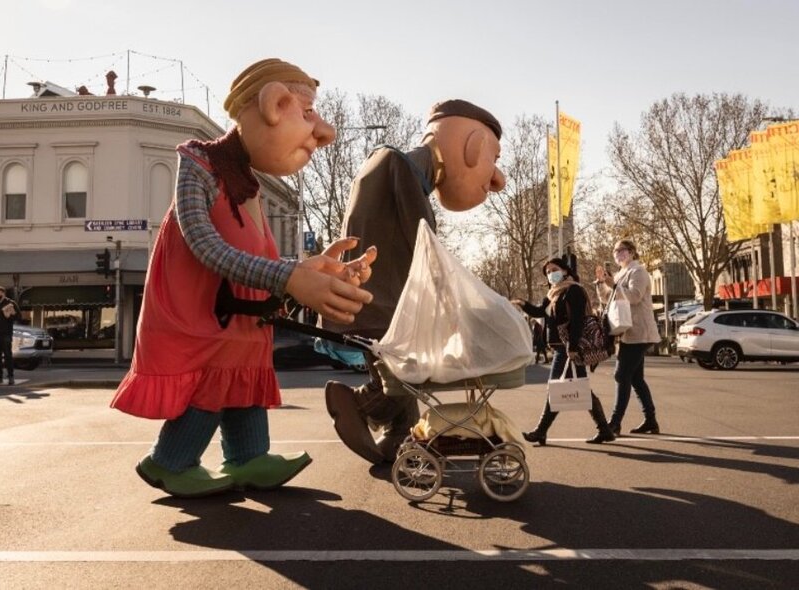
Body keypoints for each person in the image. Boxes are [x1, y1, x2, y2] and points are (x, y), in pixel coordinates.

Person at [110, 58, 377, 499]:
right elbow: (205, 245)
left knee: (243, 375)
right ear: (274, 103)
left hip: (244, 319)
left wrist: (317, 268)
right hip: (208, 315)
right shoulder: (198, 164)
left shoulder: (249, 184)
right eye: (308, 114)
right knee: (216, 379)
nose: (323, 131)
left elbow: (261, 255)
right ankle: (171, 461)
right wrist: (290, 276)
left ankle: (249, 456)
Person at [324, 99, 507, 464]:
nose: (497, 179)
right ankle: (358, 403)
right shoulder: (400, 167)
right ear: (472, 146)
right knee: (400, 381)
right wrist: (454, 303)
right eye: (495, 159)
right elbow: (427, 248)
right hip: (383, 305)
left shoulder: (390, 165)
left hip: (373, 299)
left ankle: (400, 441)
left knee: (407, 380)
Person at [511, 258, 615, 445]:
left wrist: (573, 346)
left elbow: (577, 320)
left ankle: (541, 431)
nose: (551, 274)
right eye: (548, 272)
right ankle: (604, 429)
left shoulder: (573, 290)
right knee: (578, 389)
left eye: (554, 269)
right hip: (560, 348)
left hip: (568, 349)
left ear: (565, 271)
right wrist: (521, 303)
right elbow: (538, 312)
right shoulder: (552, 293)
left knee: (557, 388)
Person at [595, 239, 661, 435]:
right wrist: (601, 285)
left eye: (621, 250)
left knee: (621, 375)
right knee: (636, 379)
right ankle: (650, 420)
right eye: (615, 251)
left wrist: (613, 284)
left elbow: (634, 297)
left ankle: (615, 422)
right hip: (627, 332)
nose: (618, 254)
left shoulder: (638, 271)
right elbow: (608, 299)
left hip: (640, 332)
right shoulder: (620, 273)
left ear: (632, 252)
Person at [0, 286, 19, 385]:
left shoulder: (10, 303)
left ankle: (11, 377)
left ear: (2, 293)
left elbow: (19, 316)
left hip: (6, 334)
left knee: (8, 356)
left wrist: (10, 315)